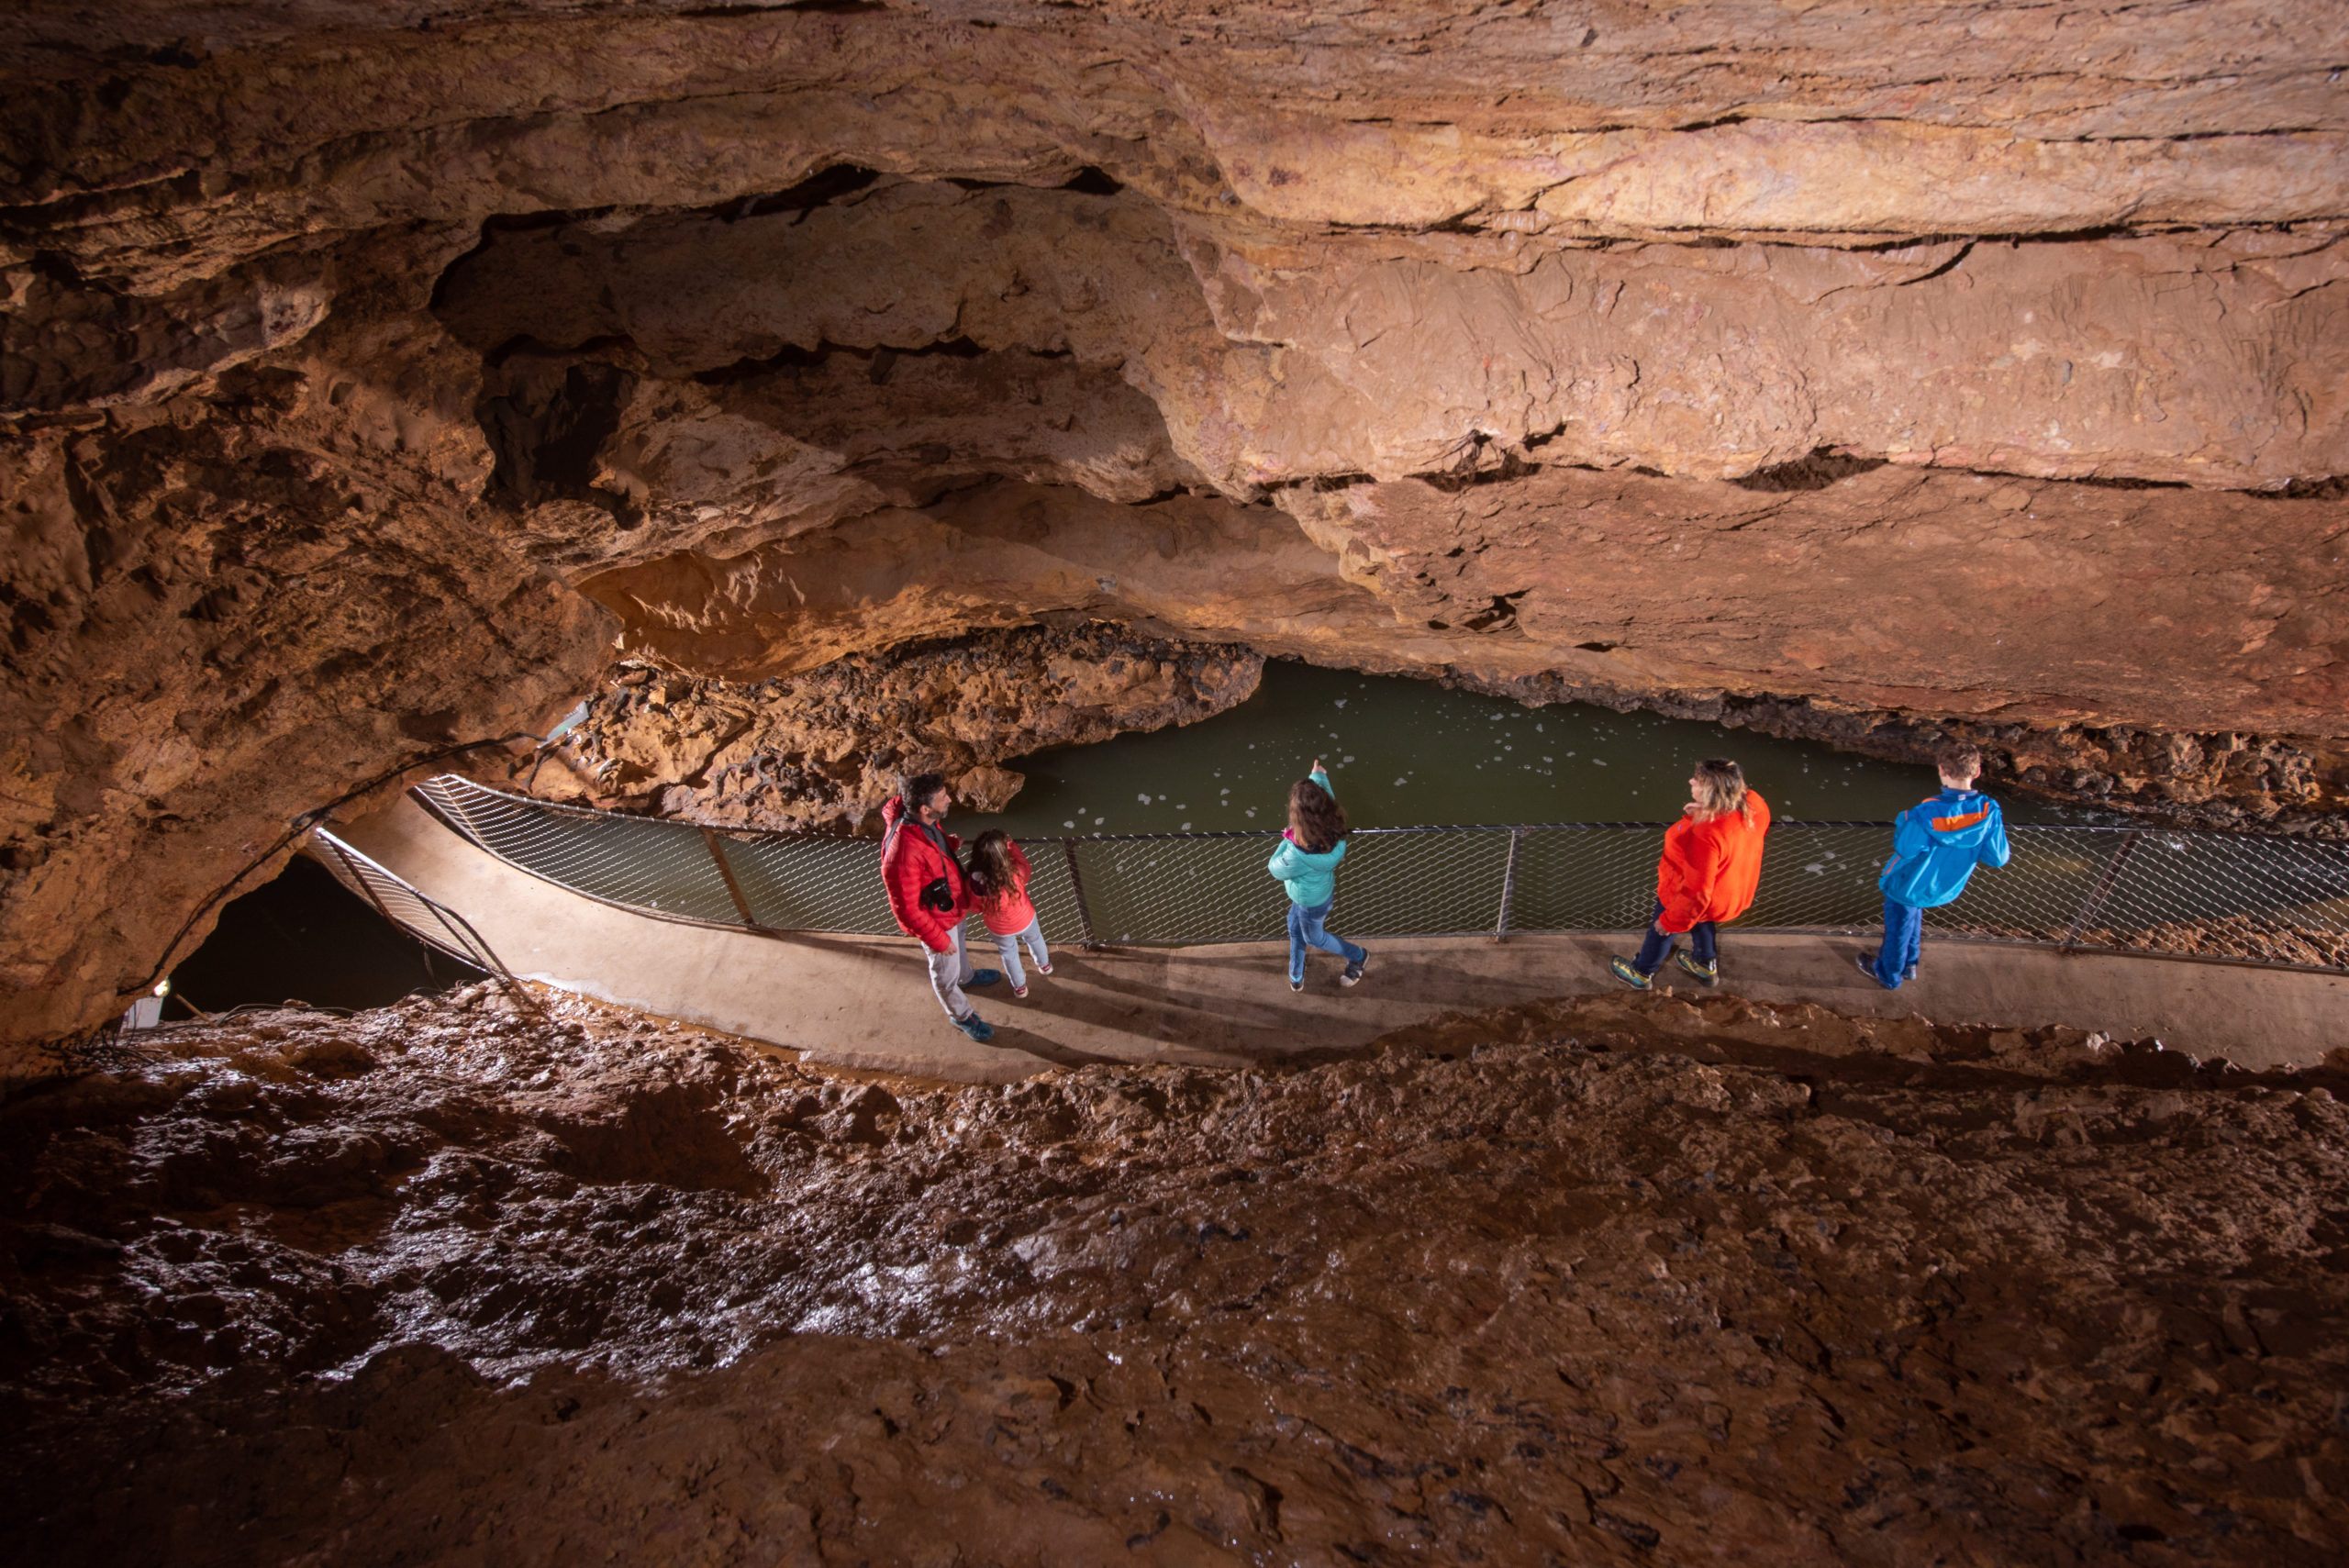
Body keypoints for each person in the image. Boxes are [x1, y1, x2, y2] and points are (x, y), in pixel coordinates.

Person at [1859, 741, 2011, 989]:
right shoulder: (1988, 810)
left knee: (1898, 928)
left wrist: (1905, 819)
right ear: (1977, 771)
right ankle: (1909, 964)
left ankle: (1889, 975)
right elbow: (1997, 858)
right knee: (1912, 918)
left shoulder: (1925, 812)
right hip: (1943, 883)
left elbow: (1906, 849)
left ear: (1942, 770)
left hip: (1908, 882)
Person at [1610, 758, 1772, 991]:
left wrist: (1671, 922)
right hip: (1726, 891)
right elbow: (1737, 834)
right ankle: (1705, 964)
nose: (1691, 781)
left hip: (1684, 892)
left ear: (1710, 790)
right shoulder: (1754, 803)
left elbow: (1696, 891)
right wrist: (1707, 811)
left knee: (1661, 930)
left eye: (1697, 781)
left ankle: (1641, 972)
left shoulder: (1705, 834)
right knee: (1702, 919)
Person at [879, 773, 1001, 1040]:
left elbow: (930, 850)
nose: (949, 799)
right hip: (937, 922)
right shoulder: (902, 854)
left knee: (960, 949)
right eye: (943, 797)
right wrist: (938, 941)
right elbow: (907, 911)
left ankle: (965, 977)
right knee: (945, 973)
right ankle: (961, 1016)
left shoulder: (922, 821)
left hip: (952, 906)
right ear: (925, 809)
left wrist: (948, 845)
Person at [1267, 758, 1368, 992]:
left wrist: (1287, 839)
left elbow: (1274, 868)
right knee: (1294, 926)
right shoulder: (1336, 830)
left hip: (1310, 902)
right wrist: (1318, 776)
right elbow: (1323, 801)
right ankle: (1296, 972)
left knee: (1314, 938)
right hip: (1319, 892)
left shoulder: (1296, 853)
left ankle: (1358, 956)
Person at [966, 829, 1052, 997]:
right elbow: (1026, 866)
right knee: (1035, 939)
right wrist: (1011, 845)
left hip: (999, 928)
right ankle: (1045, 966)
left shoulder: (974, 883)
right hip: (1025, 918)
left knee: (1009, 954)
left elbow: (974, 908)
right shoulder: (1015, 873)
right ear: (1002, 855)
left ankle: (1020, 988)